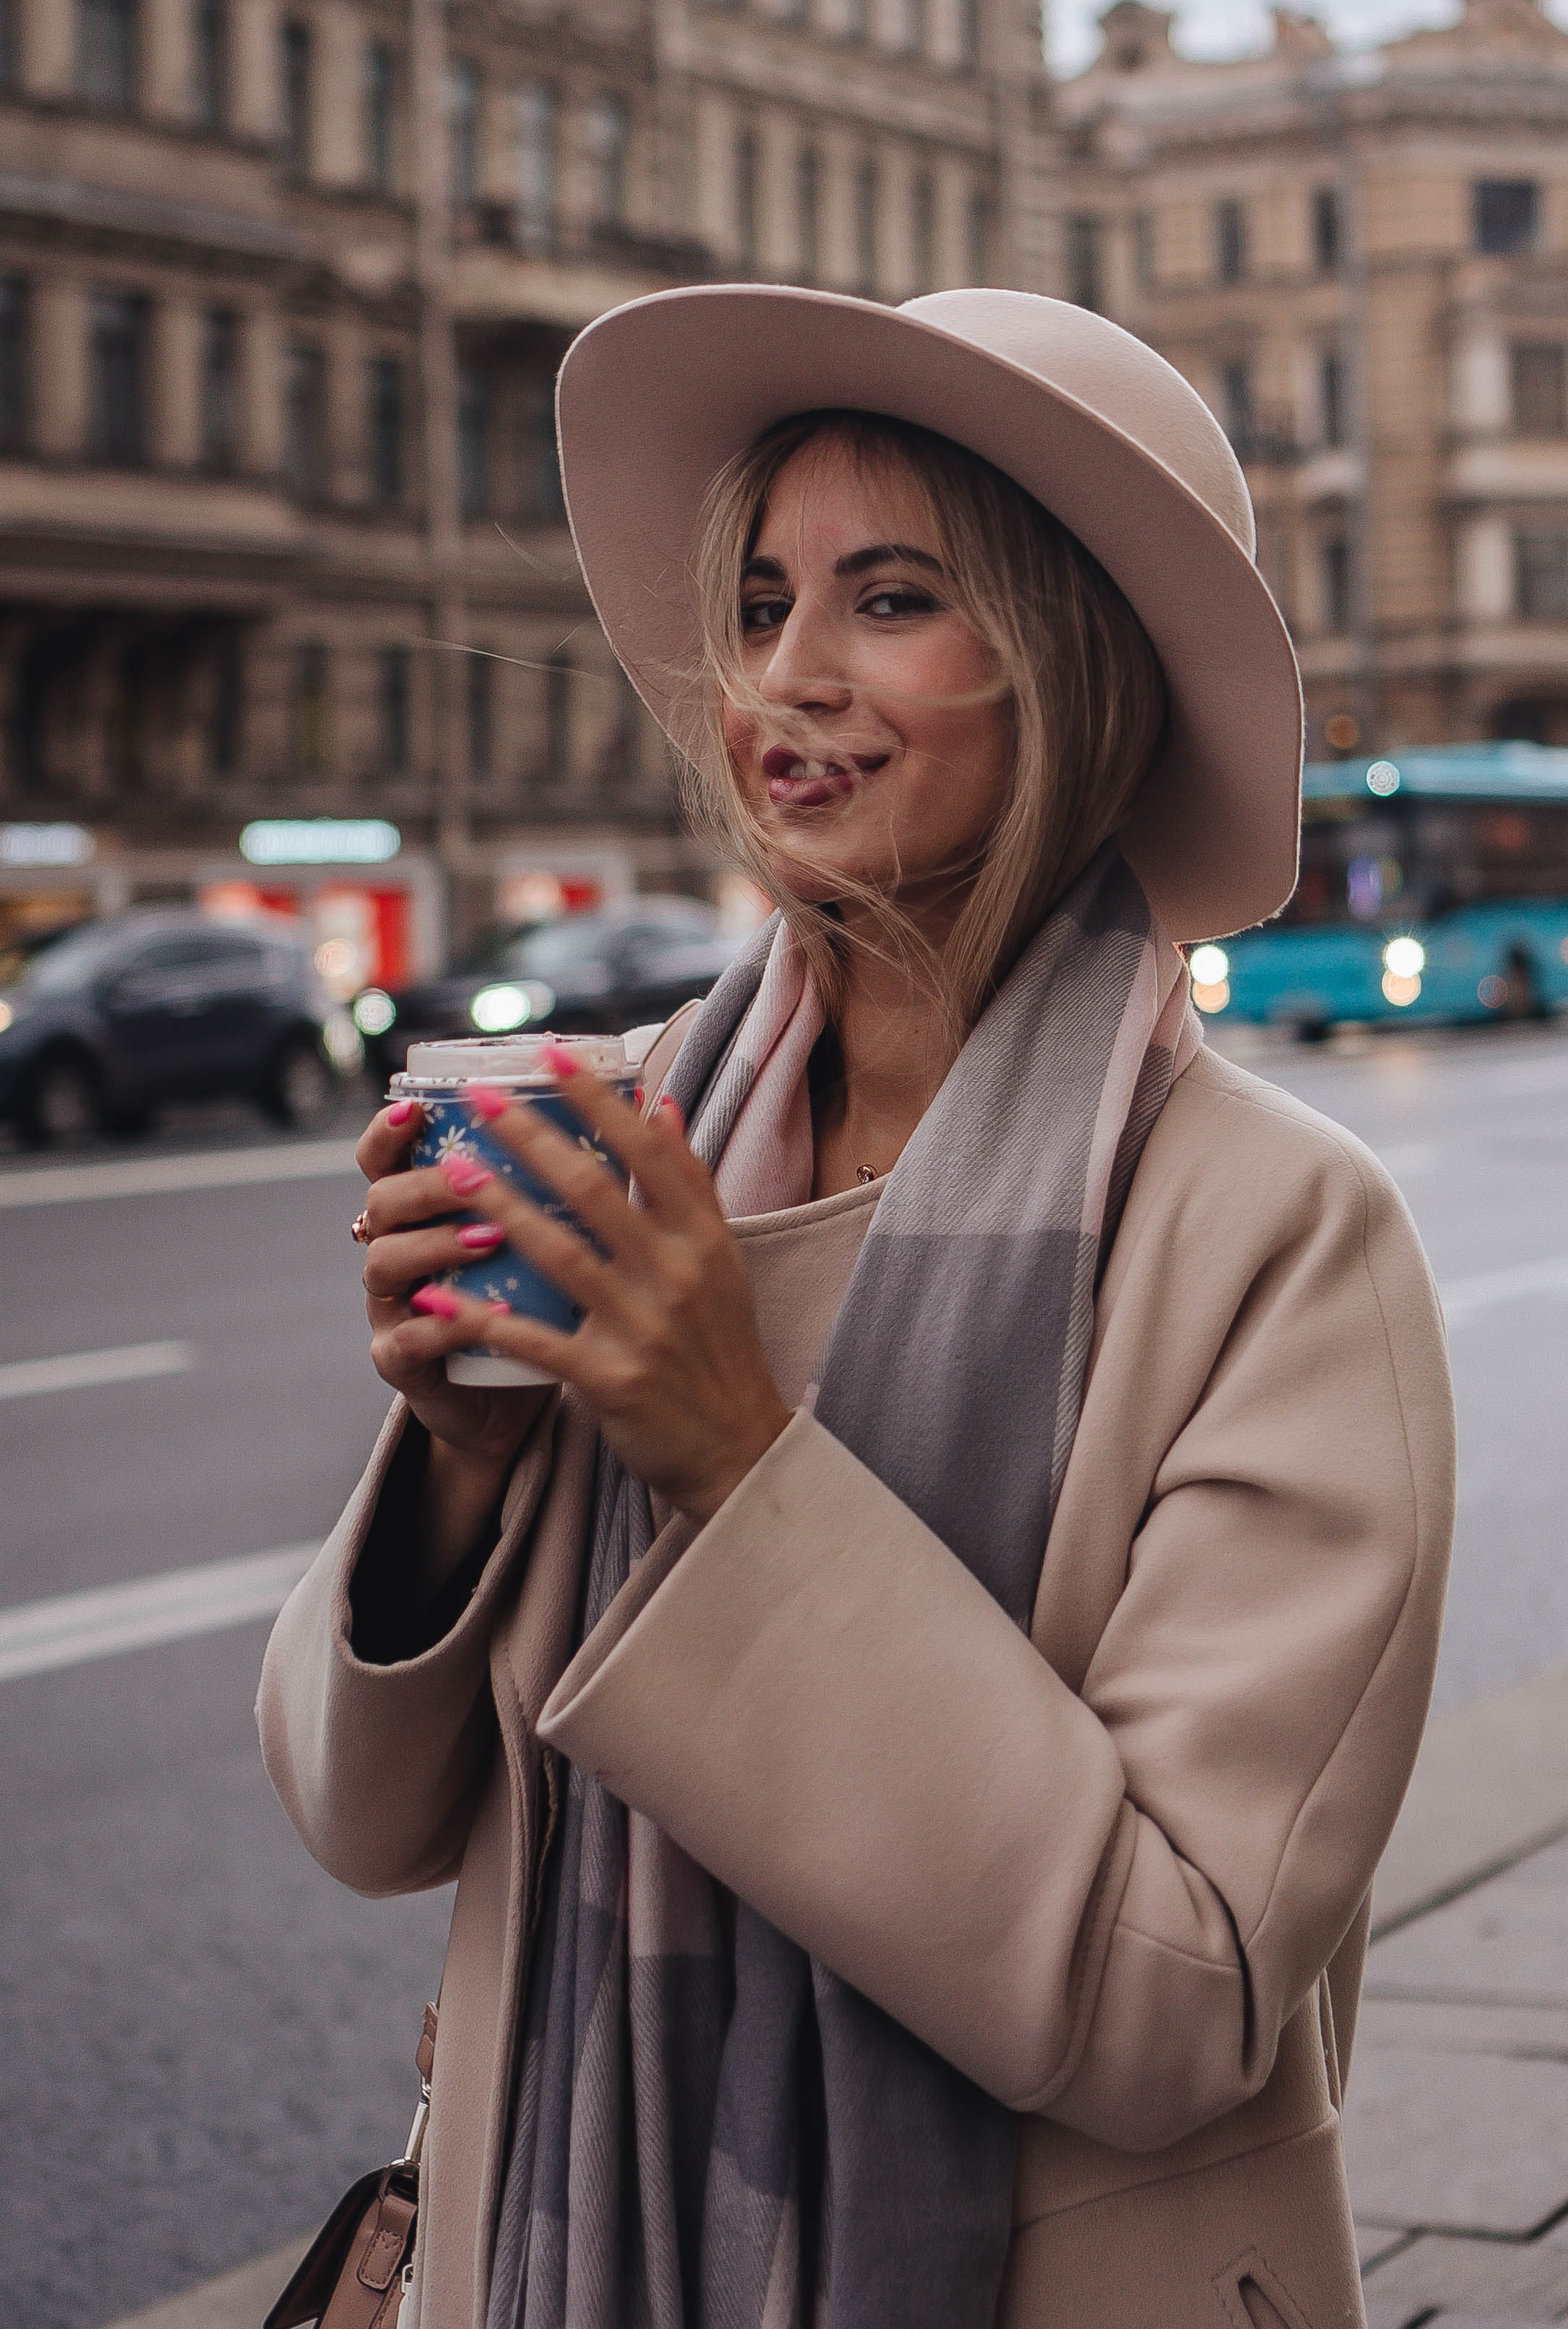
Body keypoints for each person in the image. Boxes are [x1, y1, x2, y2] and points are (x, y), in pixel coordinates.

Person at [261, 284, 1455, 2329]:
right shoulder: (640, 1127)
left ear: (1078, 668)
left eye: (890, 599)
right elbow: (367, 1822)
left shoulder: (1275, 1231)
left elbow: (1170, 2003)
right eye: (756, 606)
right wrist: (454, 1472)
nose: (782, 679)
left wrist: (732, 1459)